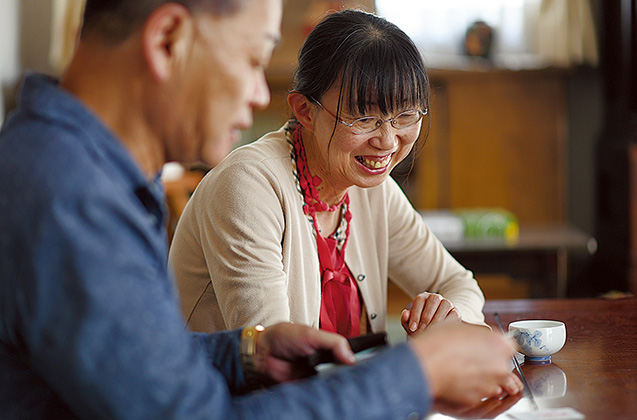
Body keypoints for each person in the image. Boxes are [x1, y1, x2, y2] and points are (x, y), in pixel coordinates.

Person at [0, 2, 522, 419]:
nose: (256, 95)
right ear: (167, 41)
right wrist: (419, 373)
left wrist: (245, 353)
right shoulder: (69, 199)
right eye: (252, 60)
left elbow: (137, 370)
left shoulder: (73, 170)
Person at [170, 9, 486, 338]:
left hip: (339, 387)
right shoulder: (248, 186)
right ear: (306, 110)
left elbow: (458, 284)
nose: (388, 141)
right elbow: (275, 356)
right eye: (364, 119)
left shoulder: (371, 189)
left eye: (405, 116)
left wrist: (445, 317)